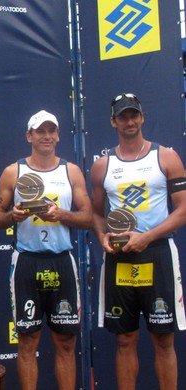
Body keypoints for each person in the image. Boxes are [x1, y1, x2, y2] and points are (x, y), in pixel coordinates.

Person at [90, 93, 186, 390]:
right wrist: (102, 235)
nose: (129, 121)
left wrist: (147, 237)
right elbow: (95, 213)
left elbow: (183, 210)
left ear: (142, 117)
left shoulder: (166, 157)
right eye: (123, 116)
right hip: (120, 256)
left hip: (157, 253)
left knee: (163, 338)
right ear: (113, 121)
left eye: (133, 115)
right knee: (124, 338)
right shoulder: (102, 165)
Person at [0, 110, 92, 389]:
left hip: (62, 261)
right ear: (29, 136)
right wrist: (13, 216)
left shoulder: (70, 171)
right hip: (27, 262)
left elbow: (87, 217)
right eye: (40, 131)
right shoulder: (14, 171)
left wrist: (62, 215)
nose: (47, 136)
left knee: (66, 342)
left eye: (51, 131)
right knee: (27, 342)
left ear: (58, 136)